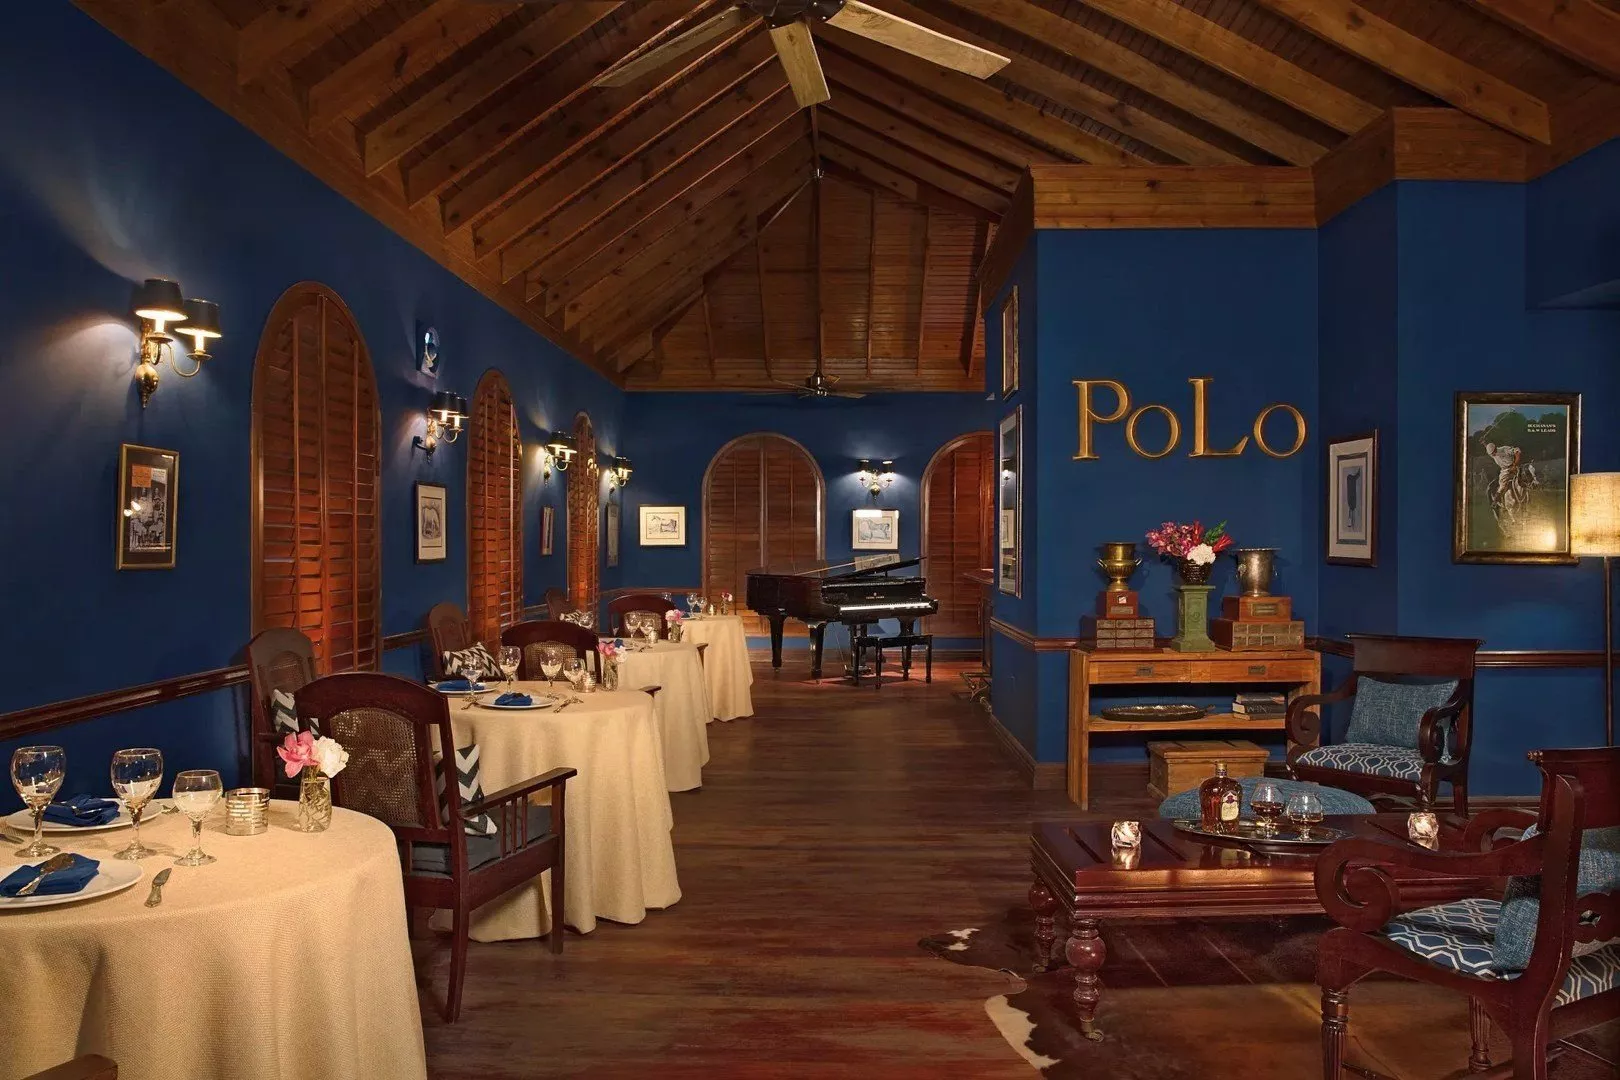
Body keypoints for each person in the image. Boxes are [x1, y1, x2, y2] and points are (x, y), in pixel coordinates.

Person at [1484, 441, 1523, 509]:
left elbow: (1517, 451)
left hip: (1514, 467)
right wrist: (1484, 443)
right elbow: (1488, 447)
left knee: (1526, 478)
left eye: (1493, 452)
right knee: (1502, 485)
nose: (1493, 454)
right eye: (1491, 454)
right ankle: (1496, 501)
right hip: (1505, 471)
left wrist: (1515, 464)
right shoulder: (1492, 454)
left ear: (1495, 448)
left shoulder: (1504, 449)